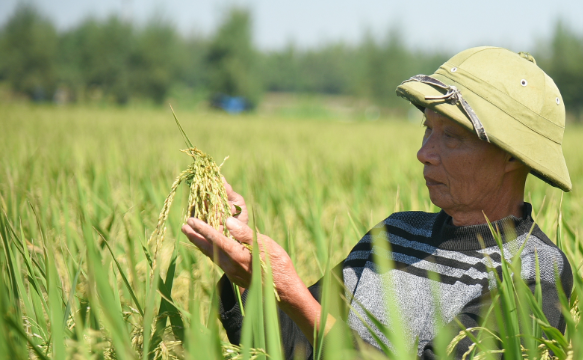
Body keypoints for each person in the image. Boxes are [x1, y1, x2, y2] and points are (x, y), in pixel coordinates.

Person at [181, 46, 573, 359]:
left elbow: (308, 314)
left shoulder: (535, 270)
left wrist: (293, 294)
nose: (425, 154)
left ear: (511, 157)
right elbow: (293, 341)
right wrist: (250, 273)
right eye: (427, 130)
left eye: (451, 137)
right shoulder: (395, 234)